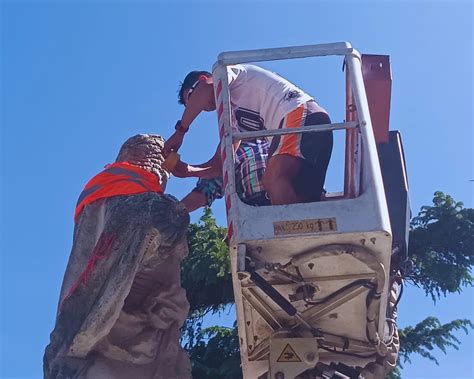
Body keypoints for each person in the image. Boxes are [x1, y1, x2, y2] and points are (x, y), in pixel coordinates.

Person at [163, 65, 333, 205]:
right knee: (301, 193)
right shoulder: (235, 119)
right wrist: (190, 171)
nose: (197, 107)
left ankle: (295, 239)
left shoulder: (230, 72)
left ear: (202, 79)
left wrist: (180, 132)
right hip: (299, 124)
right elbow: (223, 162)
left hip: (297, 113)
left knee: (274, 178)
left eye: (190, 98)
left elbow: (206, 89)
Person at [172, 138, 271, 212]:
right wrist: (173, 212)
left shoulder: (280, 134)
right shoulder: (230, 151)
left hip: (282, 203)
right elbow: (204, 192)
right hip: (255, 213)